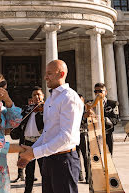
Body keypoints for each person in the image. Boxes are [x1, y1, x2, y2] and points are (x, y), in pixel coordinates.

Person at [18, 60, 84, 193]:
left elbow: (66, 137)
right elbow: (47, 133)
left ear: (61, 74)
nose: (45, 77)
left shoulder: (69, 97)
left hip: (64, 160)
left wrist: (35, 153)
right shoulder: (50, 99)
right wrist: (30, 154)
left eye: (49, 73)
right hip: (49, 159)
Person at [11, 86, 45, 192]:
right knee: (29, 172)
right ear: (32, 98)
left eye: (39, 94)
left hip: (41, 143)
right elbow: (19, 120)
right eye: (34, 95)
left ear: (43, 96)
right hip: (28, 143)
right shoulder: (27, 109)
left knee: (44, 171)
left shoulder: (47, 109)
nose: (37, 97)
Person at [94, 82, 119, 154]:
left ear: (106, 92)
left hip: (107, 133)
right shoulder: (91, 104)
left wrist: (103, 119)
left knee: (108, 156)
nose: (98, 93)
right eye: (96, 91)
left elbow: (115, 120)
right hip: (94, 134)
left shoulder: (113, 104)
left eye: (100, 91)